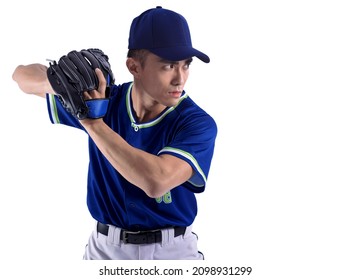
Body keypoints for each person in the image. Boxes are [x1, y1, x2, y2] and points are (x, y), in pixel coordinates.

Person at [12, 6, 217, 260]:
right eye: (169, 65)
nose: (180, 78)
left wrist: (92, 123)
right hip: (104, 251)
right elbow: (21, 75)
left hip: (172, 254)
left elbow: (156, 181)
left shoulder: (196, 122)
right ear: (134, 66)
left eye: (186, 65)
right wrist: (62, 85)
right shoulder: (103, 100)